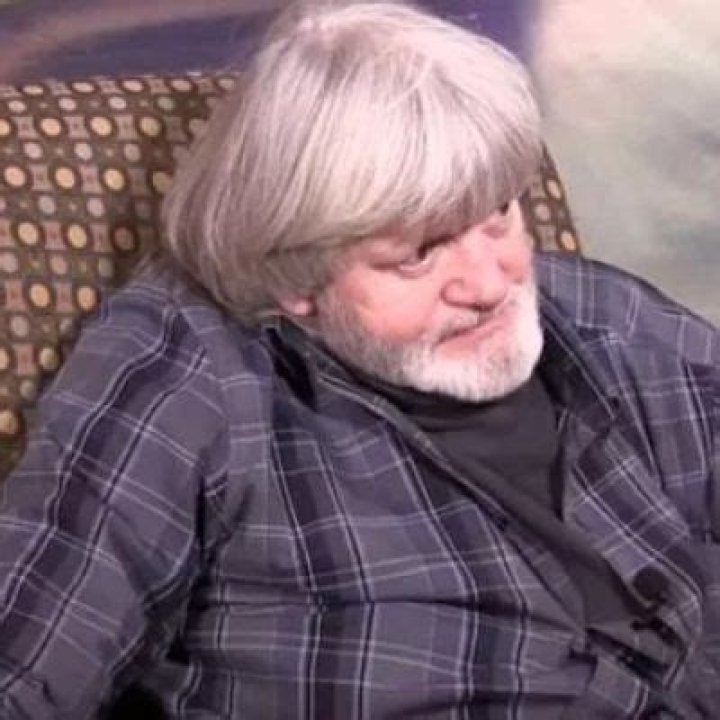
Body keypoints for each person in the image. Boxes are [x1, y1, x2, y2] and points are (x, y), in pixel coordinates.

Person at [0, 1, 718, 717]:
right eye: (418, 256)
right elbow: (26, 665)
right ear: (294, 274)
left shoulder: (606, 322)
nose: (489, 283)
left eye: (498, 213)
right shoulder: (190, 369)